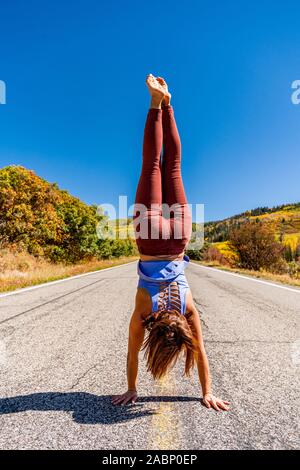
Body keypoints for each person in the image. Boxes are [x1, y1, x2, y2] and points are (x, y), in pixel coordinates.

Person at [112, 74, 230, 411]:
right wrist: (132, 389)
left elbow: (202, 353)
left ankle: (168, 105)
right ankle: (154, 103)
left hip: (179, 237)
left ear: (178, 337)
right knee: (152, 165)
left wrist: (208, 391)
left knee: (173, 167)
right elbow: (132, 352)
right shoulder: (144, 312)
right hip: (148, 239)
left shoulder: (188, 311)